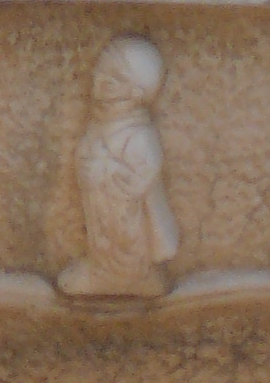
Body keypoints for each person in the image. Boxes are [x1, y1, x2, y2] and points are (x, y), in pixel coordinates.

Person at [60, 34, 180, 298]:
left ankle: (123, 277)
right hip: (99, 217)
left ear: (135, 92)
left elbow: (139, 180)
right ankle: (103, 268)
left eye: (114, 77)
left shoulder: (138, 136)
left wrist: (104, 170)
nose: (100, 78)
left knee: (122, 236)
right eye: (102, 69)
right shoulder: (104, 123)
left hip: (124, 223)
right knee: (101, 230)